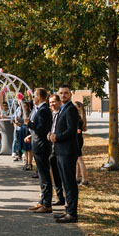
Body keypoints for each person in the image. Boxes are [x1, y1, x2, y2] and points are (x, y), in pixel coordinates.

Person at [49, 84, 80, 223]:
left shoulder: (71, 109)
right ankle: (68, 210)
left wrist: (58, 137)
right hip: (60, 150)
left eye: (66, 93)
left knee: (70, 183)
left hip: (68, 151)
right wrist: (52, 135)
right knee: (65, 183)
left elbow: (72, 129)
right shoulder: (63, 108)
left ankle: (72, 213)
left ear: (70, 94)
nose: (63, 95)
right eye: (61, 93)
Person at [26, 88, 54, 213]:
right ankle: (42, 201)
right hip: (38, 146)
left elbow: (41, 129)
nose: (33, 97)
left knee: (45, 176)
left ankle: (47, 204)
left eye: (35, 95)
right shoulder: (40, 109)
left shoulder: (43, 110)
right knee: (42, 176)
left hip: (42, 146)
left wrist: (29, 124)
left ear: (41, 97)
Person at [48, 94, 66, 206]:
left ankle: (66, 197)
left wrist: (56, 136)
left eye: (54, 102)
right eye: (50, 102)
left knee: (63, 173)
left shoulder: (63, 114)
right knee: (55, 172)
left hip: (62, 147)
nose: (52, 104)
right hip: (53, 147)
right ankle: (60, 197)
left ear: (59, 102)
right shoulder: (52, 115)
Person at [75, 100, 89, 187]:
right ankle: (77, 177)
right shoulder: (79, 117)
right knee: (77, 160)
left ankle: (85, 179)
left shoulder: (78, 118)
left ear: (79, 107)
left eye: (75, 105)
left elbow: (78, 131)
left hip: (77, 140)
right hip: (78, 140)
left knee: (79, 160)